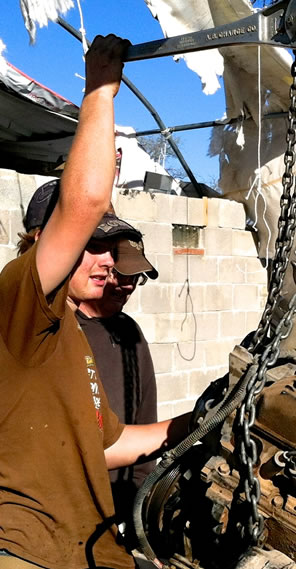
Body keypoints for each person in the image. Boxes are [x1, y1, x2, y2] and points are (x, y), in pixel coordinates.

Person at [0, 36, 188, 569]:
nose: (109, 262)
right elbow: (84, 200)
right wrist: (101, 89)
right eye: (92, 245)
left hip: (89, 549)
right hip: (27, 551)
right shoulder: (17, 299)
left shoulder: (66, 337)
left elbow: (110, 442)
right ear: (43, 240)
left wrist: (200, 419)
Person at [72, 234, 159, 543]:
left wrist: (140, 506)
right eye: (122, 275)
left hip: (121, 504)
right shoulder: (65, 332)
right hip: (75, 503)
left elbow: (144, 416)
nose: (129, 285)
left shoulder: (129, 332)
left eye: (136, 277)